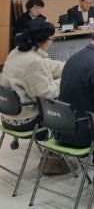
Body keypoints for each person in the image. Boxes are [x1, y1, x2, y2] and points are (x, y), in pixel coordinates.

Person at [0, 21, 68, 174]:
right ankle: (54, 157)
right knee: (67, 108)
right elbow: (47, 95)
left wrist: (70, 66)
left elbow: (49, 66)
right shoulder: (34, 62)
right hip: (26, 121)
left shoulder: (17, 52)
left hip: (7, 116)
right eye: (52, 39)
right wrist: (63, 80)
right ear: (44, 40)